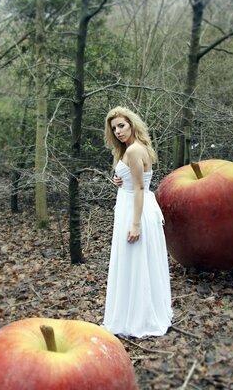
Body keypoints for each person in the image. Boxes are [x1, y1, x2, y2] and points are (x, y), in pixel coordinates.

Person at [102, 106, 173, 338]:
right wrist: (118, 178)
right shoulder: (132, 149)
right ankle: (133, 312)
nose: (118, 131)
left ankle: (139, 318)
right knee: (133, 262)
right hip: (130, 205)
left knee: (137, 262)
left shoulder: (133, 151)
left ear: (132, 124)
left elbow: (141, 187)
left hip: (136, 209)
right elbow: (134, 179)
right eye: (114, 128)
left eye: (122, 125)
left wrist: (135, 224)